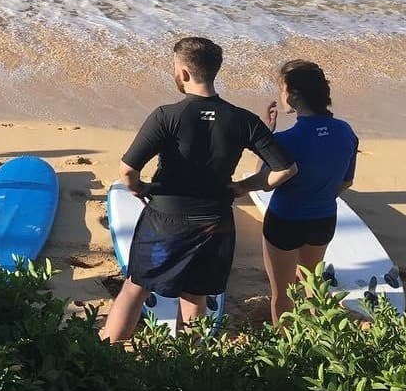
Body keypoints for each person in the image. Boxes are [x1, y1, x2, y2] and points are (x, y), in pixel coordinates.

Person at [100, 37, 298, 342]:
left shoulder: (167, 115)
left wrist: (140, 188)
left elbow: (127, 170)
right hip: (215, 221)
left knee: (136, 286)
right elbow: (285, 169)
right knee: (196, 296)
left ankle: (107, 351)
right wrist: (244, 187)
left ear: (182, 72)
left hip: (165, 219)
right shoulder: (243, 120)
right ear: (213, 71)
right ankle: (190, 364)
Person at [249, 60, 358, 324]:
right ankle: (318, 337)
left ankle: (285, 347)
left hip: (285, 221)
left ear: (294, 95)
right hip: (323, 219)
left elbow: (265, 180)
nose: (281, 95)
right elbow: (346, 182)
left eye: (282, 89)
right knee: (313, 284)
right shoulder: (346, 132)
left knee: (283, 294)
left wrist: (266, 137)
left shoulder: (285, 140)